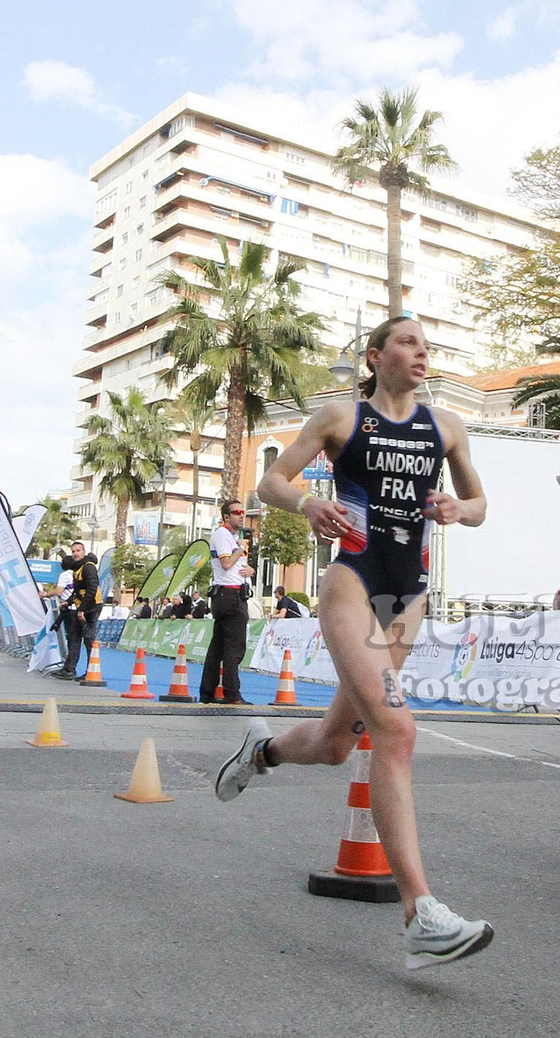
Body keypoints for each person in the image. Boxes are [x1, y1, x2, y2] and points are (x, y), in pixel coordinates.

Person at [213, 315, 493, 971]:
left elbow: (480, 503)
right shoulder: (342, 417)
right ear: (375, 355)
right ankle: (421, 912)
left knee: (341, 743)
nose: (420, 352)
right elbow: (271, 482)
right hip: (354, 582)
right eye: (407, 342)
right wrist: (306, 505)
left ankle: (264, 751)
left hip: (409, 595)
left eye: (427, 345)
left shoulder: (447, 426)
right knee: (395, 729)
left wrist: (458, 509)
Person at [199, 502, 253, 704]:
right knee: (233, 647)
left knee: (219, 647)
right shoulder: (223, 534)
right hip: (229, 596)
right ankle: (231, 693)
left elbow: (239, 567)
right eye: (236, 513)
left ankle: (208, 691)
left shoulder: (232, 537)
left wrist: (250, 571)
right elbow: (226, 563)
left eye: (242, 512)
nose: (241, 516)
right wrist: (241, 550)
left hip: (230, 594)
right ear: (226, 517)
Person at [56, 542, 99, 681]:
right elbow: (77, 591)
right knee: (74, 637)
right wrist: (68, 602)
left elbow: (92, 589)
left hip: (92, 607)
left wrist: (82, 610)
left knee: (88, 638)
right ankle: (69, 669)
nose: (75, 553)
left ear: (84, 551)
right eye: (73, 551)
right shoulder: (77, 568)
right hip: (81, 606)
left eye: (78, 550)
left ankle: (92, 671)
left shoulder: (88, 567)